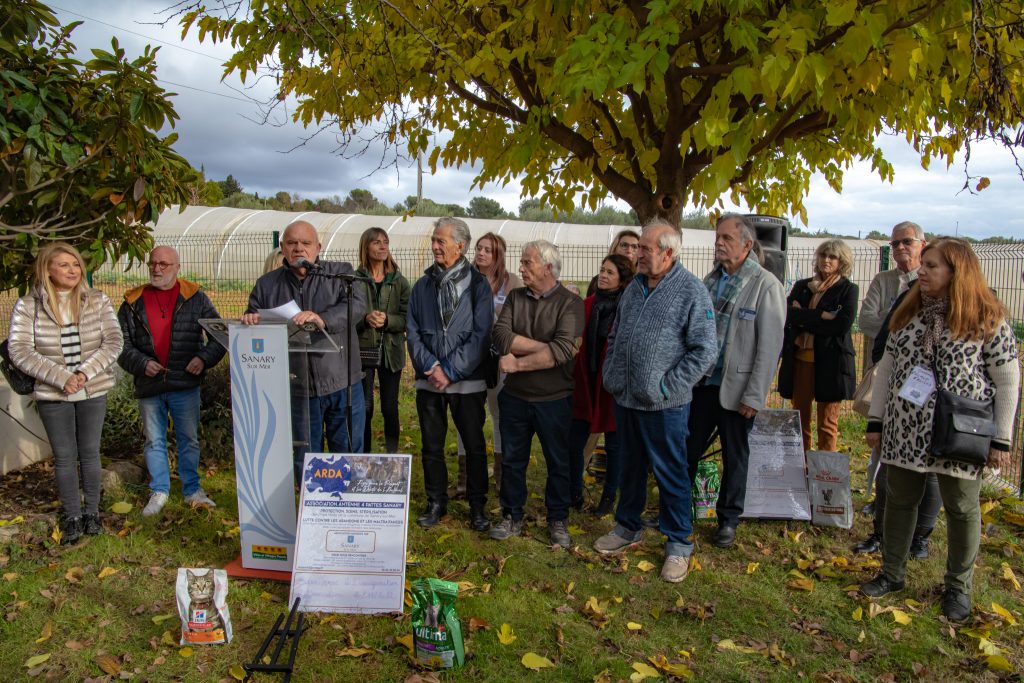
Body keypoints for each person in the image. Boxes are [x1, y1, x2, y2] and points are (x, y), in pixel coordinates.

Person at [860, 238, 1020, 622]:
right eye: (924, 264)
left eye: (932, 266)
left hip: (960, 432)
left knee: (962, 509)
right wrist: (877, 419)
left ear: (956, 271)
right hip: (905, 429)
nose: (922, 271)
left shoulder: (986, 317)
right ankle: (892, 573)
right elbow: (886, 370)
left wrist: (1001, 437)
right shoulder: (908, 313)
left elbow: (1008, 378)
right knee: (899, 501)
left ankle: (958, 588)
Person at [593, 219, 717, 583]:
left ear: (668, 252)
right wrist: (613, 374)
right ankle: (627, 526)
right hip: (626, 398)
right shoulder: (633, 288)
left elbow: (705, 351)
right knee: (629, 466)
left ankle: (678, 542)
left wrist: (666, 386)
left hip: (665, 405)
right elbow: (616, 334)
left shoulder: (691, 291)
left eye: (645, 248)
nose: (638, 254)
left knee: (671, 472)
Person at [7, 243, 123, 544]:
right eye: (64, 265)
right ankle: (72, 515)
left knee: (89, 452)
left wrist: (84, 374)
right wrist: (61, 378)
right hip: (52, 393)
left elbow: (113, 341)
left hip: (92, 389)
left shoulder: (97, 300)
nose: (73, 270)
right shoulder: (28, 306)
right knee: (64, 456)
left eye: (75, 264)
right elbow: (19, 349)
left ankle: (92, 513)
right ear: (47, 269)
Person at [686, 214, 785, 549]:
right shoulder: (710, 281)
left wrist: (754, 396)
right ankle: (678, 510)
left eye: (727, 238)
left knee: (734, 456)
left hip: (737, 390)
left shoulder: (766, 285)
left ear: (746, 244)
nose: (719, 242)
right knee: (687, 449)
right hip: (701, 384)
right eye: (717, 237)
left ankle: (728, 519)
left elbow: (769, 347)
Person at [241, 220, 367, 479]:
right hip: (297, 387)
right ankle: (311, 512)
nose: (299, 248)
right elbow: (253, 314)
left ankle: (348, 511)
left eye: (305, 243)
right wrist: (252, 321)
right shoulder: (267, 285)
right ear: (283, 248)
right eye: (292, 243)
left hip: (342, 381)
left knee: (348, 453)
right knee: (307, 458)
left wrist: (322, 319)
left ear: (318, 247)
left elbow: (357, 305)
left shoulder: (340, 274)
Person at [118, 246, 227, 517]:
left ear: (177, 267)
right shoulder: (132, 303)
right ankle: (160, 491)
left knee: (188, 439)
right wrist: (142, 364)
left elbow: (220, 336)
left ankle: (192, 489)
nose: (157, 269)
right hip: (149, 385)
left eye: (164, 264)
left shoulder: (196, 298)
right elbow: (120, 345)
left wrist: (203, 359)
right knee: (154, 441)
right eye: (153, 263)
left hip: (185, 384)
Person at [488, 240, 584, 547]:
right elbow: (500, 334)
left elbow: (565, 350)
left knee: (558, 462)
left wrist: (516, 365)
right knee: (513, 461)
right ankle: (512, 515)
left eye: (528, 263)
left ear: (548, 267)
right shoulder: (516, 297)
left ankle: (557, 519)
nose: (521, 267)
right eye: (522, 262)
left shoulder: (570, 303)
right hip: (515, 399)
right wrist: (549, 349)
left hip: (554, 400)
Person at [407, 217, 493, 531]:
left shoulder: (478, 284)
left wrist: (452, 370)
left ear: (460, 245)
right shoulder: (421, 285)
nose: (434, 246)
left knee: (473, 444)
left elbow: (482, 334)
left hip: (466, 381)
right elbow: (412, 331)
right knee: (431, 444)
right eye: (434, 239)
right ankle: (436, 501)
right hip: (429, 380)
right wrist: (431, 367)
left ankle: (478, 505)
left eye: (441, 241)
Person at [858, 222, 926, 507]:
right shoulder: (883, 280)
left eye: (906, 242)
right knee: (881, 432)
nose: (899, 247)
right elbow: (865, 321)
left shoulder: (928, 281)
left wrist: (888, 319)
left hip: (920, 378)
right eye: (894, 243)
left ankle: (913, 503)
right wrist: (897, 319)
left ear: (922, 243)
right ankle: (878, 497)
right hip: (885, 368)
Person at [453, 232, 522, 496]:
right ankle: (465, 478)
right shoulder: (463, 278)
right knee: (466, 417)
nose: (481, 253)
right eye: (479, 248)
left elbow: (515, 321)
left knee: (499, 415)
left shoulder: (511, 282)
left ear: (499, 255)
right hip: (469, 360)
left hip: (498, 359)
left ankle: (501, 478)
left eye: (488, 250)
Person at [778, 239, 858, 452]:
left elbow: (841, 325)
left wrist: (803, 317)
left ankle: (825, 474)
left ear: (842, 261)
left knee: (827, 423)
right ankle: (800, 469)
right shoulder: (802, 286)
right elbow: (787, 315)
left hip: (832, 364)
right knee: (799, 420)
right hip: (801, 360)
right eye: (823, 255)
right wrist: (821, 315)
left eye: (832, 257)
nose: (826, 260)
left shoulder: (848, 290)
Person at [569, 254, 634, 517]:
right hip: (586, 382)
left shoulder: (628, 307)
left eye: (610, 272)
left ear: (622, 279)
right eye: (602, 270)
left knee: (615, 445)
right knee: (574, 442)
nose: (603, 275)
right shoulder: (587, 305)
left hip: (613, 387)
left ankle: (609, 495)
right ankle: (573, 491)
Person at [354, 227, 410, 454]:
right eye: (376, 242)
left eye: (385, 241)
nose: (382, 246)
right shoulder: (354, 280)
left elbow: (407, 319)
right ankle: (363, 455)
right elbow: (346, 316)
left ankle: (392, 455)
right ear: (366, 247)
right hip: (363, 351)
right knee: (364, 408)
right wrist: (365, 320)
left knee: (389, 408)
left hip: (391, 352)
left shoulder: (399, 281)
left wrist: (387, 321)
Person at [586, 229, 640, 296]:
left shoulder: (642, 282)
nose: (629, 250)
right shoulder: (598, 281)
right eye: (624, 245)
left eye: (634, 247)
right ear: (614, 249)